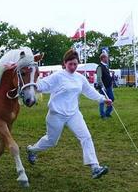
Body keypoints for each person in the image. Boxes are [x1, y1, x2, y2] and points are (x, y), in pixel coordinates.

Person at [27, 49, 112, 179]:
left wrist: (102, 99)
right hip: (56, 115)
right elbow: (42, 84)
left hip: (74, 114)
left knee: (86, 137)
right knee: (51, 141)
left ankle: (95, 167)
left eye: (75, 64)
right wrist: (33, 84)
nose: (73, 67)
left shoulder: (80, 78)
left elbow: (89, 91)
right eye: (70, 64)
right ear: (65, 63)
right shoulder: (58, 76)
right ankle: (32, 150)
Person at [96, 53, 114, 118]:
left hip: (108, 87)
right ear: (103, 58)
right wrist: (102, 86)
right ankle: (102, 114)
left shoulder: (106, 66)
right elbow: (98, 78)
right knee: (102, 100)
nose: (107, 59)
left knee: (111, 98)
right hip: (103, 87)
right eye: (106, 58)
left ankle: (107, 113)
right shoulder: (99, 67)